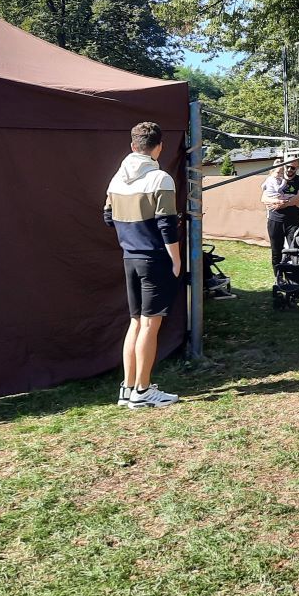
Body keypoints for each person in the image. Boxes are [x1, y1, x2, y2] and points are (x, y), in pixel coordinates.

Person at [104, 121, 182, 408]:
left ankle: (128, 388)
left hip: (130, 257)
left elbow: (108, 217)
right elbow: (166, 225)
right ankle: (143, 390)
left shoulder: (116, 180)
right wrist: (175, 259)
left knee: (135, 322)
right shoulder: (160, 179)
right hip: (154, 259)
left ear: (132, 145)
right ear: (158, 147)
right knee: (150, 325)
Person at [261, 155, 299, 273]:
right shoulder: (273, 179)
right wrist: (276, 201)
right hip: (275, 220)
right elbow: (264, 198)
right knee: (276, 252)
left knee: (295, 250)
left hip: (292, 221)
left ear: (297, 168)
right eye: (287, 167)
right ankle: (278, 279)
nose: (289, 170)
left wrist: (283, 204)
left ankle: (295, 279)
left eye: (293, 168)